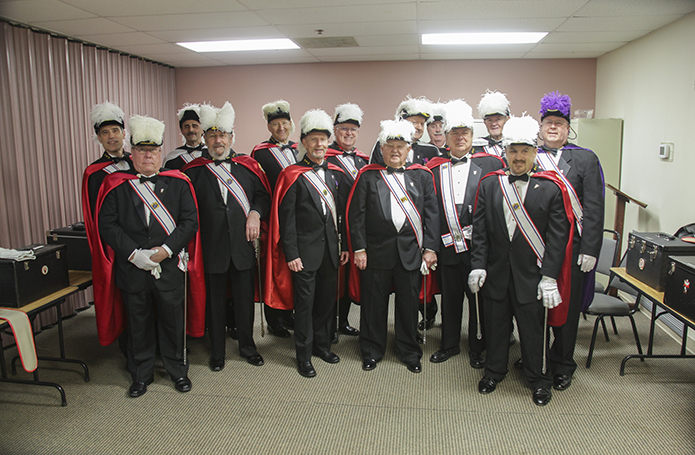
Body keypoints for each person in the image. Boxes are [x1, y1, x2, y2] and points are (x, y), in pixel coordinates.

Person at [95, 115, 205, 397]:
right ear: (132, 154)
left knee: (172, 323)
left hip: (168, 267)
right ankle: (141, 375)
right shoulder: (117, 185)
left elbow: (189, 223)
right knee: (138, 324)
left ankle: (178, 371)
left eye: (153, 151)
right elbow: (107, 226)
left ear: (160, 154)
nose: (148, 156)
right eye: (142, 151)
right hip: (133, 268)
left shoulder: (179, 183)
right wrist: (135, 255)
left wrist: (165, 251)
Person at [469, 115, 574, 406]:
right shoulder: (491, 186)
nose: (518, 157)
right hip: (497, 274)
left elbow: (557, 240)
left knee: (532, 333)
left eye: (524, 151)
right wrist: (478, 264)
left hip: (533, 277)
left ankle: (539, 380)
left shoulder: (551, 189)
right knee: (496, 329)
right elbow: (481, 232)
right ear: (505, 153)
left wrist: (550, 277)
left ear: (534, 154)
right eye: (513, 151)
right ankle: (494, 371)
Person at [183, 102, 270, 371]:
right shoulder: (194, 171)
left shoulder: (248, 166)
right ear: (205, 138)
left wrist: (255, 213)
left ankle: (247, 346)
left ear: (232, 137)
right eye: (212, 135)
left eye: (222, 135)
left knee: (245, 301)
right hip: (211, 248)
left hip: (242, 246)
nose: (217, 140)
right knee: (215, 304)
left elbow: (262, 196)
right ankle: (217, 352)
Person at [347, 119, 439, 374]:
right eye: (390, 146)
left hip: (411, 252)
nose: (395, 151)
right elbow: (357, 215)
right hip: (376, 252)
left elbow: (432, 214)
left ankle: (409, 351)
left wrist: (430, 248)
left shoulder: (422, 176)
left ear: (409, 149)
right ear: (382, 148)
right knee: (374, 306)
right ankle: (371, 350)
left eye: (401, 146)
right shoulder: (368, 176)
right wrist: (360, 248)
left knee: (409, 306)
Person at [265, 109, 350, 378]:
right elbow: (285, 220)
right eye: (313, 140)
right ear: (304, 142)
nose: (319, 145)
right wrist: (291, 252)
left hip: (331, 253)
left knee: (326, 303)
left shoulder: (335, 173)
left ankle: (322, 346)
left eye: (323, 140)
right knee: (304, 306)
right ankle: (303, 355)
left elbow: (343, 215)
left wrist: (345, 245)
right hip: (303, 254)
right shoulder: (292, 174)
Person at [426, 100, 504, 368]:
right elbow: (430, 211)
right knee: (450, 299)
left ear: (473, 136)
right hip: (447, 246)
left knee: (479, 300)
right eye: (454, 133)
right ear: (446, 137)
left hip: (478, 248)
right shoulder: (434, 168)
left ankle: (477, 346)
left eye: (465, 133)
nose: (460, 138)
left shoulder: (492, 164)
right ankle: (449, 344)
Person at [536, 91, 605, 392]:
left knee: (567, 308)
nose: (553, 127)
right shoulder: (527, 156)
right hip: (535, 246)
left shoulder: (586, 159)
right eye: (548, 122)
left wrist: (590, 248)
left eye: (559, 123)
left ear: (568, 129)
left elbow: (594, 206)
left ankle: (562, 364)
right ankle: (534, 357)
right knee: (534, 306)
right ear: (540, 128)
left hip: (572, 250)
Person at [251, 99, 297, 338]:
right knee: (274, 271)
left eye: (284, 123)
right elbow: (257, 187)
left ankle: (290, 314)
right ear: (269, 127)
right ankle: (274, 319)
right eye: (276, 124)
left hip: (298, 221)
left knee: (293, 270)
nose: (281, 128)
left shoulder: (300, 149)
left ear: (291, 124)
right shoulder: (260, 152)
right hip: (274, 220)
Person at [325, 103, 369, 339]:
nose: (348, 133)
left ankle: (343, 321)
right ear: (335, 130)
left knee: (351, 277)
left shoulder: (364, 161)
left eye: (353, 129)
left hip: (357, 230)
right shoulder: (327, 159)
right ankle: (329, 325)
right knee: (334, 279)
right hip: (334, 228)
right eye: (344, 128)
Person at [164, 103, 207, 170]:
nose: (190, 130)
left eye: (194, 126)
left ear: (202, 130)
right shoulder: (172, 159)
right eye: (186, 126)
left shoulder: (211, 155)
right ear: (181, 130)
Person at [473, 90, 510, 159]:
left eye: (498, 119)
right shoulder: (476, 147)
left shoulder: (516, 145)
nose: (494, 124)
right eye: (490, 120)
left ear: (507, 119)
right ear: (484, 122)